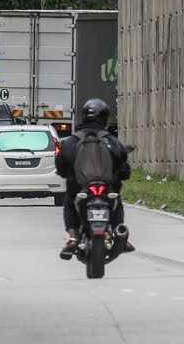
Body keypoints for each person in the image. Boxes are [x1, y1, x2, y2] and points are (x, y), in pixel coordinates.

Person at [55, 98, 133, 260]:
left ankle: (73, 236)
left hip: (80, 188)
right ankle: (118, 231)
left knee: (70, 202)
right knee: (116, 202)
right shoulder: (111, 141)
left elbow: (61, 166)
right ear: (105, 118)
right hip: (107, 189)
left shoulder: (73, 141)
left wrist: (68, 175)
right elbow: (125, 170)